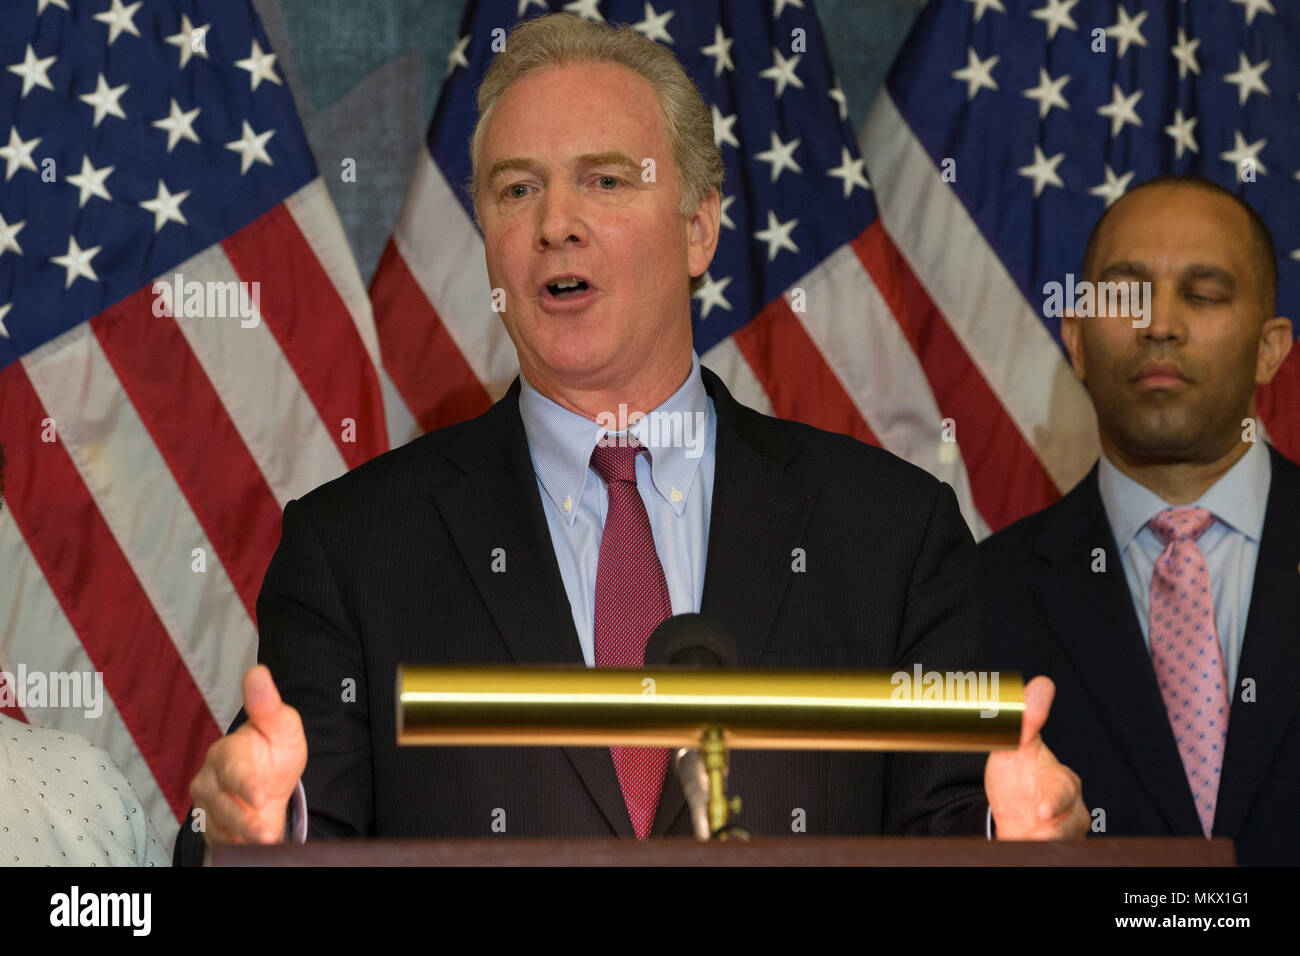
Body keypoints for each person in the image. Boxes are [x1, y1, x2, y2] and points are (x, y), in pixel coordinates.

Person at [175, 13, 1086, 864]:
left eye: (606, 181)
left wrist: (1020, 845)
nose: (555, 224)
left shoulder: (892, 534)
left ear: (699, 228)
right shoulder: (352, 550)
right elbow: (297, 824)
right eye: (516, 189)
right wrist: (254, 838)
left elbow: (954, 834)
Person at [980, 175, 1298, 866]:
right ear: (1078, 338)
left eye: (1204, 294)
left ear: (1272, 347)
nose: (1159, 324)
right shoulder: (977, 595)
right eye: (1125, 296)